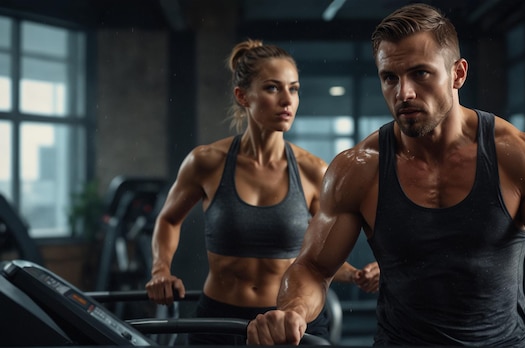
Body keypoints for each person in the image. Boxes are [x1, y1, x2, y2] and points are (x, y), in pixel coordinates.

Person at [246, 3, 525, 347]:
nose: (404, 93)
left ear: (458, 74)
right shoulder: (358, 169)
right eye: (390, 78)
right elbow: (312, 267)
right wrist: (292, 311)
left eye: (420, 73)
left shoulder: (519, 157)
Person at [145, 39, 379, 345]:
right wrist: (161, 270)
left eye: (293, 89)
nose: (287, 100)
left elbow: (321, 257)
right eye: (273, 88)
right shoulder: (205, 162)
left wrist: (358, 274)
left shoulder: (313, 171)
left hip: (290, 324)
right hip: (220, 320)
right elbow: (168, 220)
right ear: (242, 96)